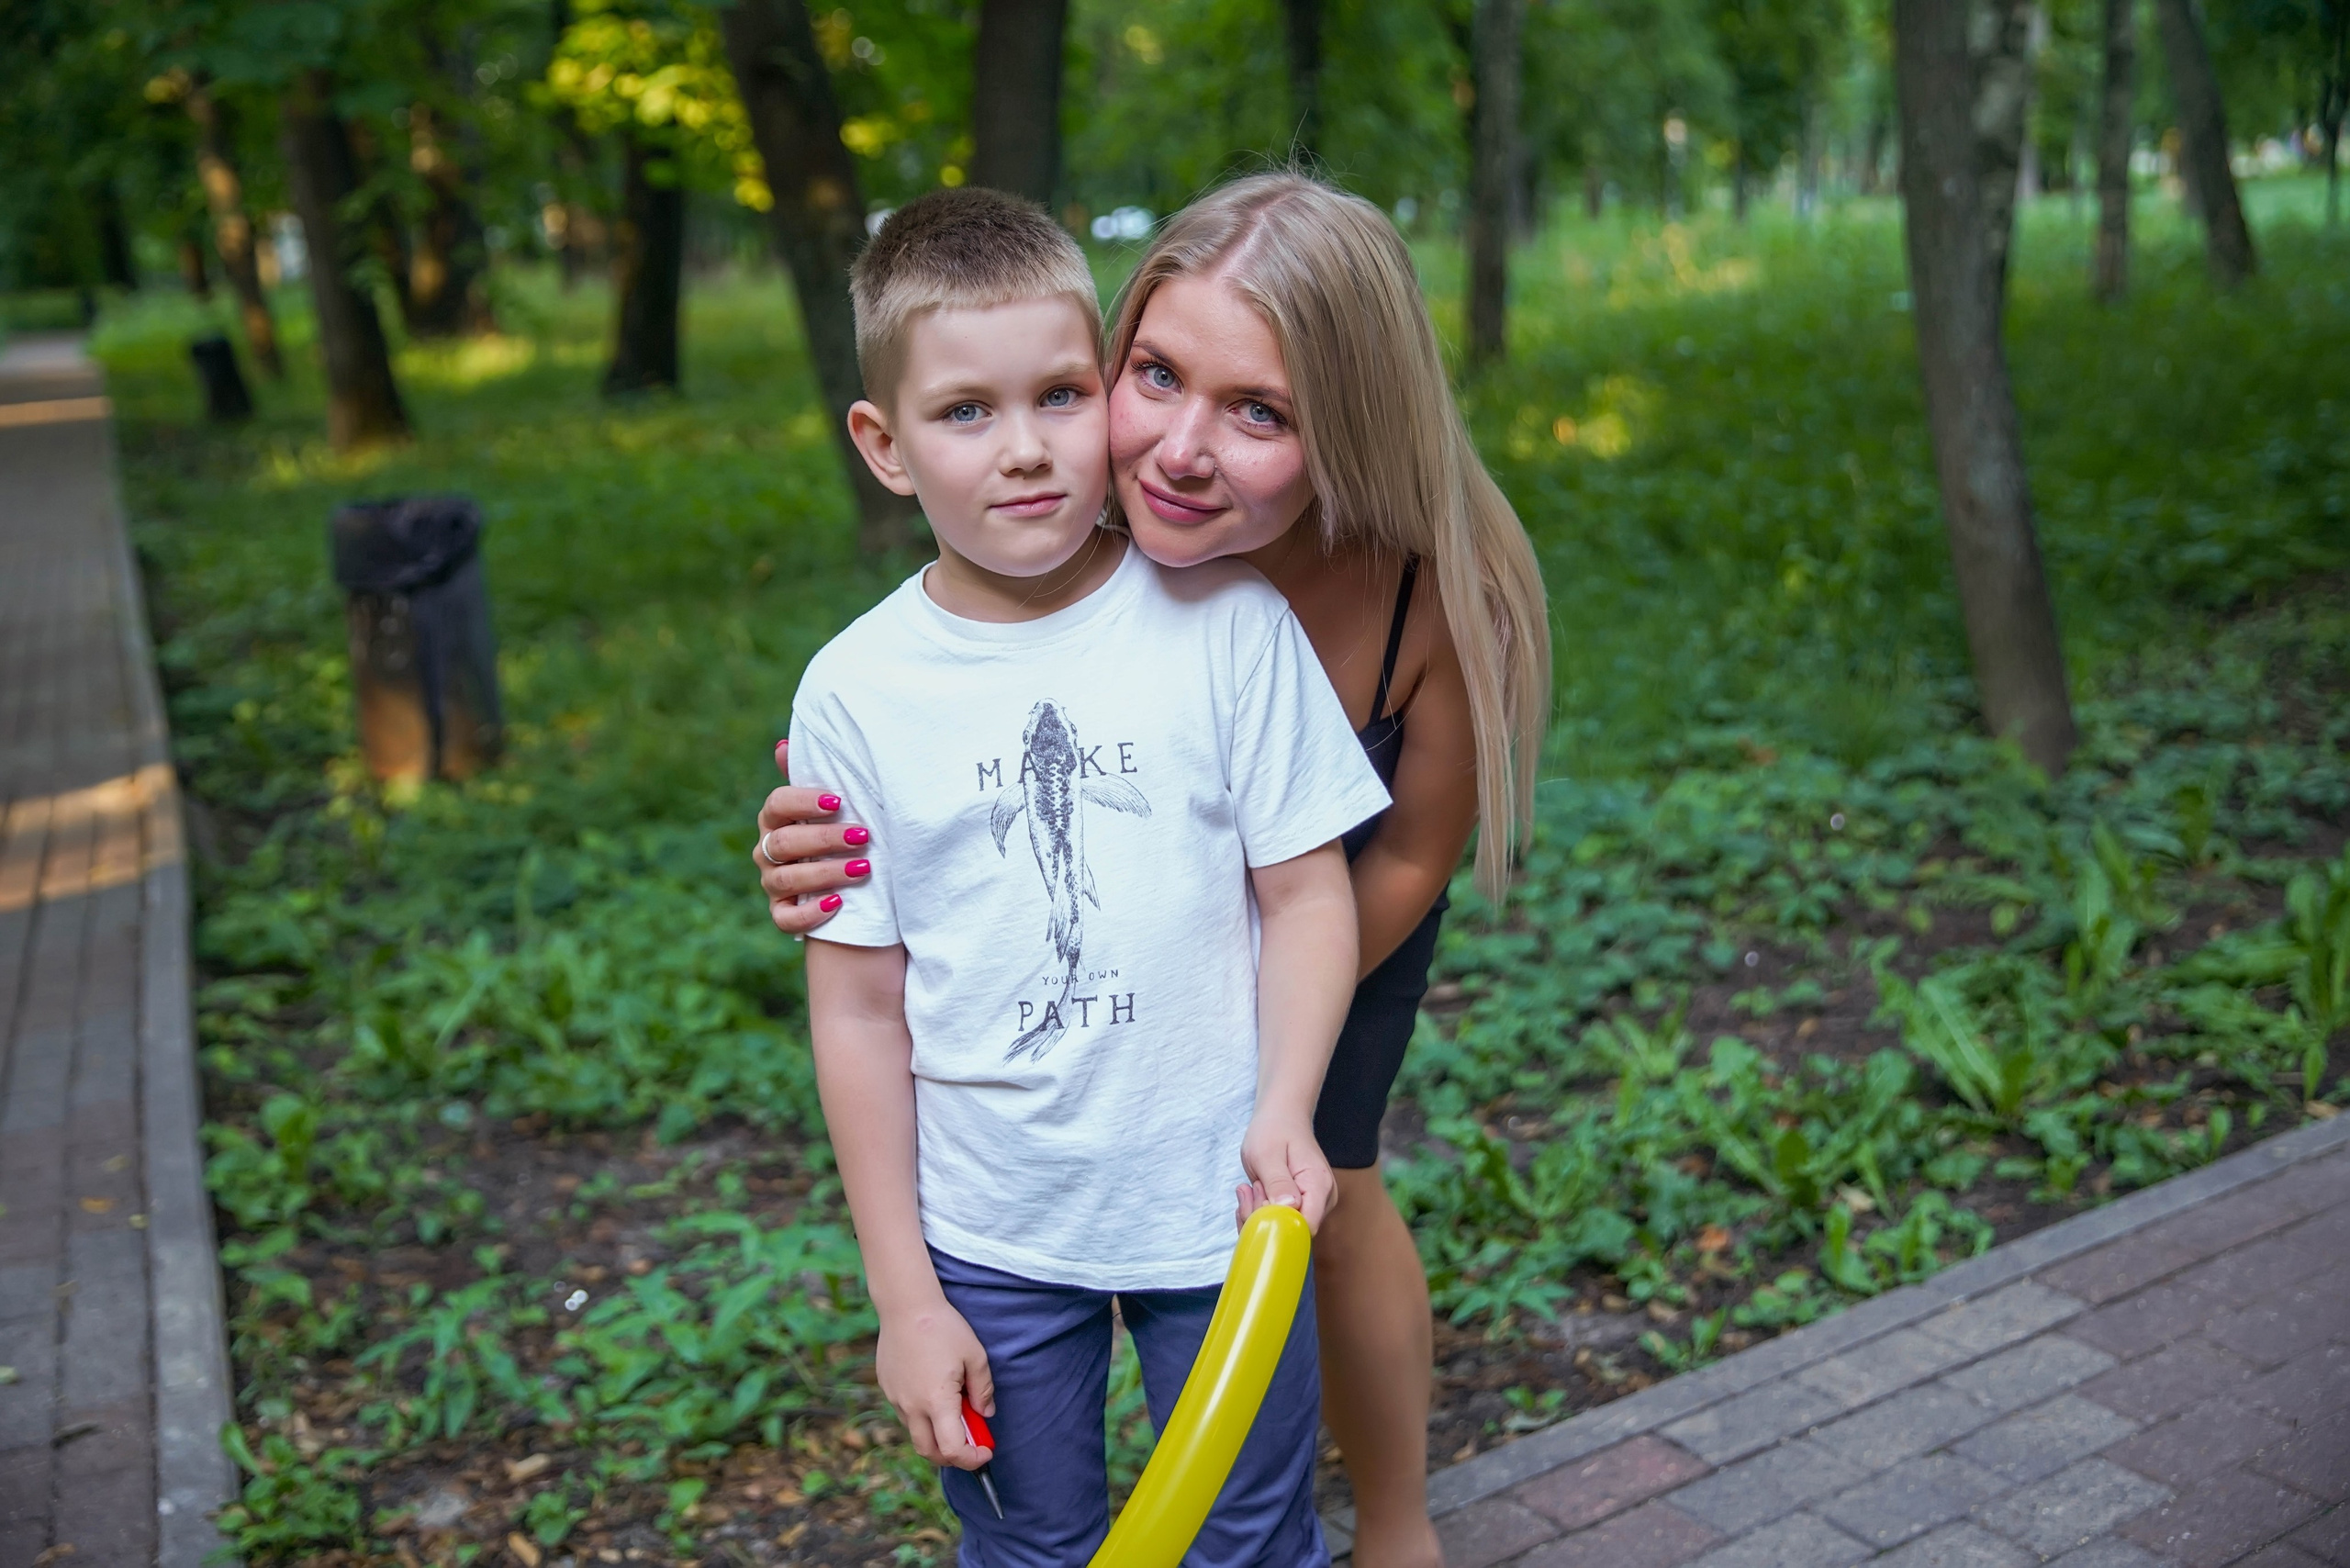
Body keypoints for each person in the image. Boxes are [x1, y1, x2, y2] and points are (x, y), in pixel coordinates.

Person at [759, 173, 1551, 1568]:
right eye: (1153, 380)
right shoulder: (954, 615)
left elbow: (1403, 847)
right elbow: (884, 928)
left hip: (1347, 911)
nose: (1181, 448)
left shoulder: (1418, 587)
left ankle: (1402, 1525)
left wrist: (1253, 1069)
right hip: (1028, 1156)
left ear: (1344, 426)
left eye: (1259, 413)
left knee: (1338, 1182)